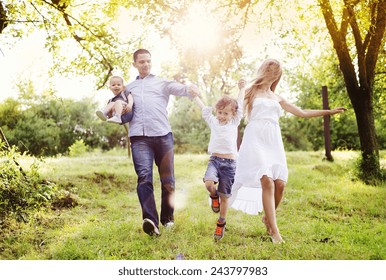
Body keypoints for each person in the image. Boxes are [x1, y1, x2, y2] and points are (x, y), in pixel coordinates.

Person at [229, 58, 346, 243]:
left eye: (277, 71)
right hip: (255, 137)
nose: (274, 73)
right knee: (266, 180)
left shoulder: (277, 97)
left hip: (273, 139)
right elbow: (235, 113)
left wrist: (328, 111)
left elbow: (302, 112)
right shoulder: (251, 91)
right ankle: (275, 232)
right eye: (271, 69)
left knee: (280, 184)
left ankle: (268, 218)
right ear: (264, 70)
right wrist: (240, 90)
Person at [125, 49, 196, 236]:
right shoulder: (129, 87)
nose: (146, 64)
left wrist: (190, 89)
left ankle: (167, 219)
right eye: (141, 62)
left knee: (168, 181)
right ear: (134, 64)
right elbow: (119, 107)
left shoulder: (161, 82)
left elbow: (180, 89)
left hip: (163, 135)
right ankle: (151, 221)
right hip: (139, 138)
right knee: (144, 177)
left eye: (148, 61)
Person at [193, 80, 245, 241]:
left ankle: (221, 222)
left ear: (233, 114)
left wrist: (242, 89)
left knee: (225, 196)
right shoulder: (214, 121)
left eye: (226, 113)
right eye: (220, 112)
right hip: (214, 160)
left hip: (230, 164)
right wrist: (196, 96)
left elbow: (240, 104)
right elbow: (204, 109)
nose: (222, 116)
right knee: (209, 184)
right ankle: (213, 196)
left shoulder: (235, 122)